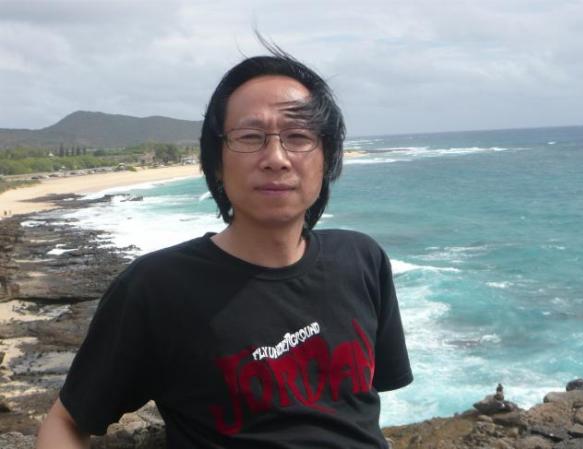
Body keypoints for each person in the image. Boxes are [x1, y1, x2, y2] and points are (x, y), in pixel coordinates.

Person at [37, 46, 413, 449]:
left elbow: (357, 414)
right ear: (216, 161)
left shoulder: (361, 260)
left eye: (298, 136)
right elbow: (66, 422)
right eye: (250, 137)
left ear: (328, 156)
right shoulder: (157, 287)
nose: (276, 158)